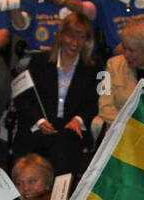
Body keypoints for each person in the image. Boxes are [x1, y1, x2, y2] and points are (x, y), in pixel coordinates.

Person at [11, 13, 100, 177]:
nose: (75, 43)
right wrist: (40, 121)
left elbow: (97, 102)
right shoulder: (39, 61)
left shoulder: (95, 68)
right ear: (61, 36)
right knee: (31, 143)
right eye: (71, 36)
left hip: (71, 128)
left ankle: (59, 198)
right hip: (40, 124)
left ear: (87, 40)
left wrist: (78, 119)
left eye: (80, 37)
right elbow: (23, 98)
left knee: (64, 143)